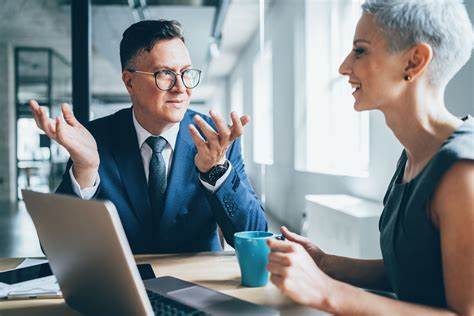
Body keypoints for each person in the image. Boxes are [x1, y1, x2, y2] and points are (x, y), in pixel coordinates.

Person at [266, 0, 473, 314]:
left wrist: (328, 293)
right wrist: (326, 264)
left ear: (414, 61)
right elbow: (417, 271)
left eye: (360, 51)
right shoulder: (414, 155)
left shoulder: (461, 173)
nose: (344, 66)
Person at [29, 20, 267, 254]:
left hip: (197, 283)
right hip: (122, 285)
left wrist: (216, 170)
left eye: (186, 73)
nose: (181, 88)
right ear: (129, 81)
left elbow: (256, 234)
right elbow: (55, 247)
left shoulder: (217, 140)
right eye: (165, 74)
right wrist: (85, 169)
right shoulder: (94, 140)